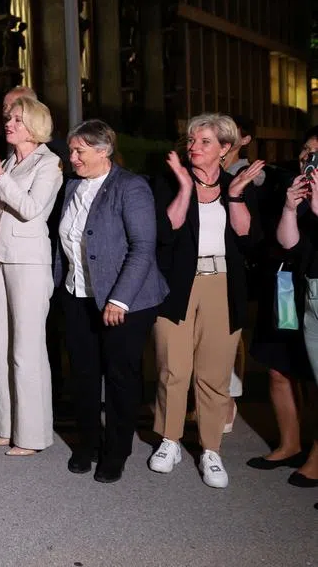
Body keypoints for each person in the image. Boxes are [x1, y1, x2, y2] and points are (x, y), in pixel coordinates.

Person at [149, 113, 263, 489]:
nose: (194, 147)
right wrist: (184, 187)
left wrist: (233, 197)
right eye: (191, 140)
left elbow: (248, 239)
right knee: (173, 368)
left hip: (223, 285)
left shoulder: (238, 185)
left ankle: (211, 449)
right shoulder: (168, 182)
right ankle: (170, 440)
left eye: (204, 142)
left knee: (214, 375)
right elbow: (165, 233)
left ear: (225, 149)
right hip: (177, 284)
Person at [53, 120, 168, 483]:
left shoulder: (130, 187)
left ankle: (116, 451)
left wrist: (119, 300)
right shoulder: (72, 186)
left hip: (126, 299)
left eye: (79, 151)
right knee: (84, 375)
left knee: (120, 376)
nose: (72, 158)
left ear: (103, 151)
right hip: (78, 294)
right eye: (71, 150)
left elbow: (143, 247)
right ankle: (87, 444)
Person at [0, 96, 62, 456]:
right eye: (9, 118)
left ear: (35, 127)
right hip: (0, 258)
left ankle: (33, 435)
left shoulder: (49, 163)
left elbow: (30, 209)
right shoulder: (9, 161)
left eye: (18, 120)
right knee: (2, 349)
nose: (9, 124)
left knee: (27, 350)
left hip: (29, 263)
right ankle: (9, 427)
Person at [267, 127, 318, 487]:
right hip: (292, 286)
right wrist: (290, 206)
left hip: (311, 286)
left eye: (314, 153)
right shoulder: (294, 188)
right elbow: (287, 242)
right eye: (305, 151)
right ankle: (291, 443)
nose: (307, 158)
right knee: (282, 366)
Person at [220, 114, 266, 425]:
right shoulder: (207, 171)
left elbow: (251, 231)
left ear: (244, 140)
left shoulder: (250, 175)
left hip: (236, 263)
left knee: (229, 336)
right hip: (207, 262)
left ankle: (228, 399)